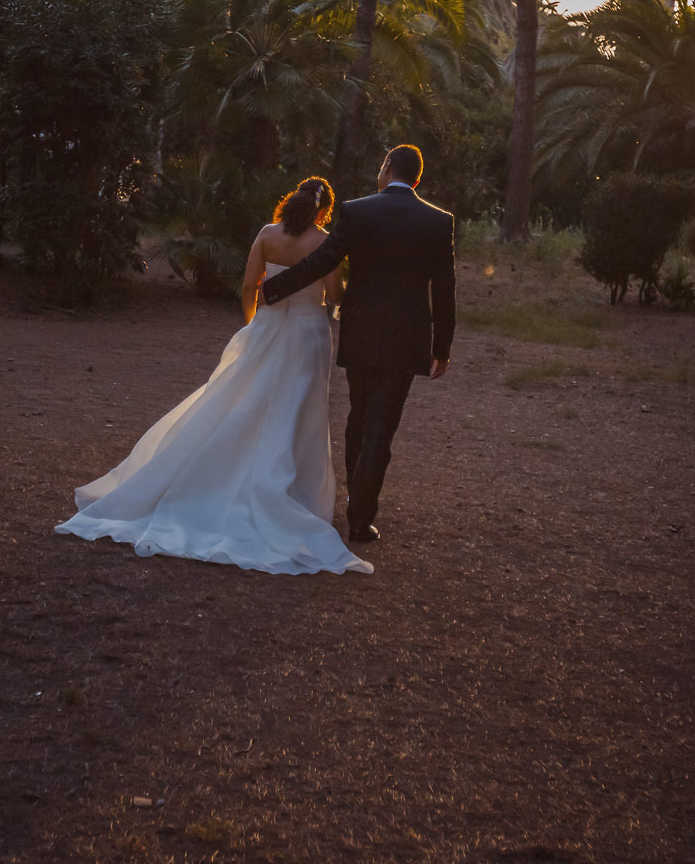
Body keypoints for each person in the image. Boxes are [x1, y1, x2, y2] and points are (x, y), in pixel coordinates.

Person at [56, 177, 374, 575]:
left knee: (244, 403)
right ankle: (291, 491)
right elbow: (336, 294)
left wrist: (254, 326)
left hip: (268, 328)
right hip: (308, 335)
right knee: (299, 412)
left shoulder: (267, 233)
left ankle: (215, 477)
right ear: (325, 210)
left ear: (291, 199)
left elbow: (248, 286)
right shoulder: (324, 241)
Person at [259, 144, 456, 543]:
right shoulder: (437, 221)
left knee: (359, 417)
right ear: (416, 179)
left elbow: (324, 260)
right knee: (381, 428)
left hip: (362, 332)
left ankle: (356, 501)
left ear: (386, 168)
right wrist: (442, 348)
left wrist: (275, 287)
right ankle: (360, 517)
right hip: (406, 340)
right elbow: (445, 289)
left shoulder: (358, 210)